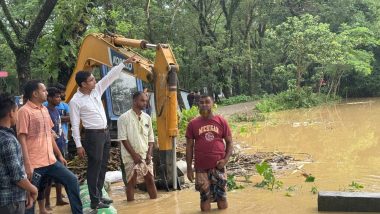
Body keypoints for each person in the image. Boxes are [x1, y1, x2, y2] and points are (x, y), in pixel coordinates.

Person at [69, 57, 136, 210]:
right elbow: (74, 124)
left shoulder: (96, 90)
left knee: (103, 165)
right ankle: (94, 200)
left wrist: (123, 64)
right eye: (91, 80)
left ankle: (98, 195)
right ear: (83, 84)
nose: (95, 81)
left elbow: (109, 77)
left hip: (105, 133)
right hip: (93, 136)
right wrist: (79, 145)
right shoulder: (75, 101)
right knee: (94, 167)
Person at [17, 80, 82, 214]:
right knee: (31, 197)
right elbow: (21, 138)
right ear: (35, 93)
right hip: (35, 164)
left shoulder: (44, 110)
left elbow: (49, 134)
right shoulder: (24, 111)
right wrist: (27, 164)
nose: (46, 92)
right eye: (44, 90)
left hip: (51, 161)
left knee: (72, 180)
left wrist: (59, 155)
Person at [185, 95, 233, 212]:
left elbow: (230, 143)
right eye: (201, 102)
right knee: (204, 199)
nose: (204, 104)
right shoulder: (192, 124)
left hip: (218, 166)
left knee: (222, 199)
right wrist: (189, 169)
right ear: (198, 105)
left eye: (207, 102)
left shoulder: (221, 121)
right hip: (201, 167)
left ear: (212, 104)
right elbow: (189, 147)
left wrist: (225, 160)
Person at [0, 93, 38, 214]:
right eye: (17, 111)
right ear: (11, 113)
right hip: (10, 201)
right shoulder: (7, 140)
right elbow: (17, 175)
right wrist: (33, 189)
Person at [117, 91, 157, 201]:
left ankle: (155, 204)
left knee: (150, 180)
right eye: (142, 100)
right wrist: (134, 155)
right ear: (134, 101)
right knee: (131, 182)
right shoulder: (123, 118)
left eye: (146, 101)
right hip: (130, 157)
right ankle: (130, 206)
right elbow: (123, 139)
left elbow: (151, 138)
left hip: (145, 155)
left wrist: (149, 154)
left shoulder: (147, 117)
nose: (145, 103)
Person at [43, 87, 69, 210]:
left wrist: (63, 140)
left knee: (60, 175)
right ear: (49, 98)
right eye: (56, 97)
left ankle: (59, 199)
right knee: (48, 177)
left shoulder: (56, 111)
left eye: (59, 96)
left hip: (60, 145)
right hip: (51, 148)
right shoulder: (46, 111)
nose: (59, 99)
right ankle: (47, 203)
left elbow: (59, 128)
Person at [54, 83, 70, 157]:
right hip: (52, 139)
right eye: (63, 92)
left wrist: (55, 118)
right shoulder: (45, 105)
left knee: (63, 158)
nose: (64, 94)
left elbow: (70, 118)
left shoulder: (65, 106)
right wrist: (63, 118)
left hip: (64, 139)